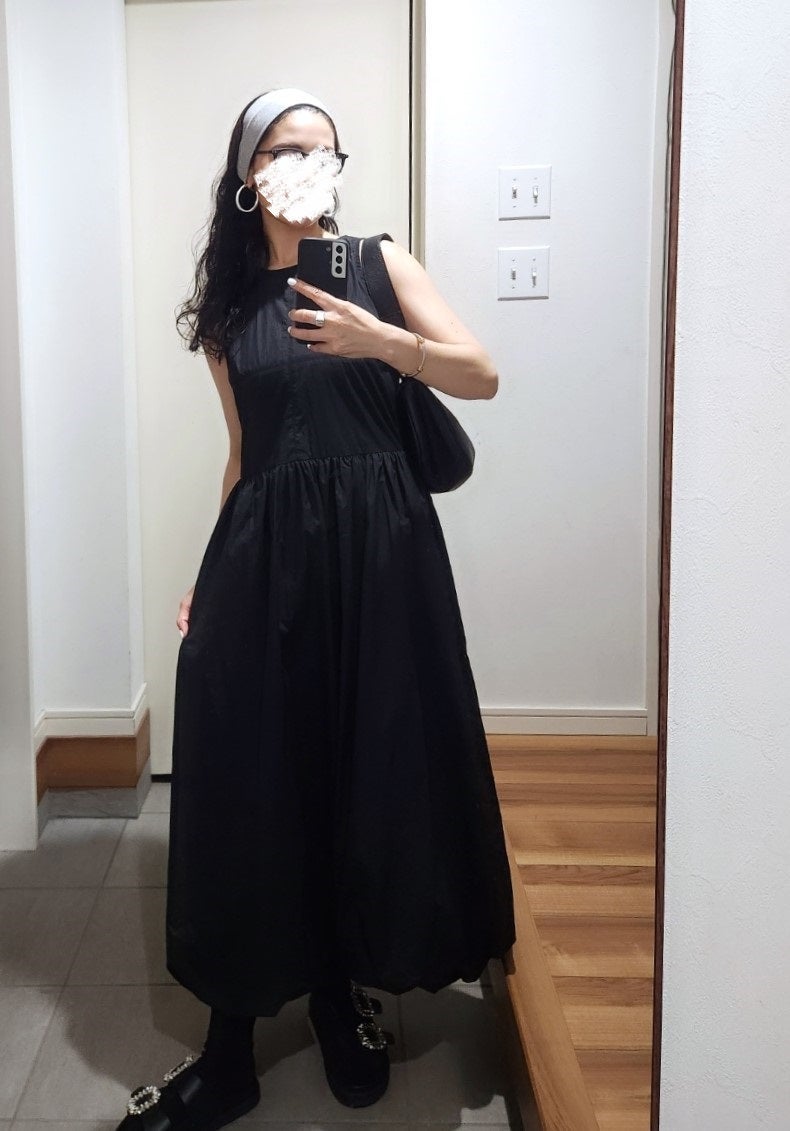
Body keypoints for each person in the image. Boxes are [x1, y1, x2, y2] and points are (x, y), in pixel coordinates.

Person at [117, 87, 516, 1130]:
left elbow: (481, 375)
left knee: (366, 769)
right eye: (286, 149)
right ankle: (229, 1050)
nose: (308, 164)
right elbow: (242, 455)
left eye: (326, 150)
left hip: (382, 559)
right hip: (265, 561)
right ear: (248, 174)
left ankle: (341, 1000)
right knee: (258, 779)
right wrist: (209, 575)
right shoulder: (228, 314)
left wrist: (382, 341)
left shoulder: (379, 264)